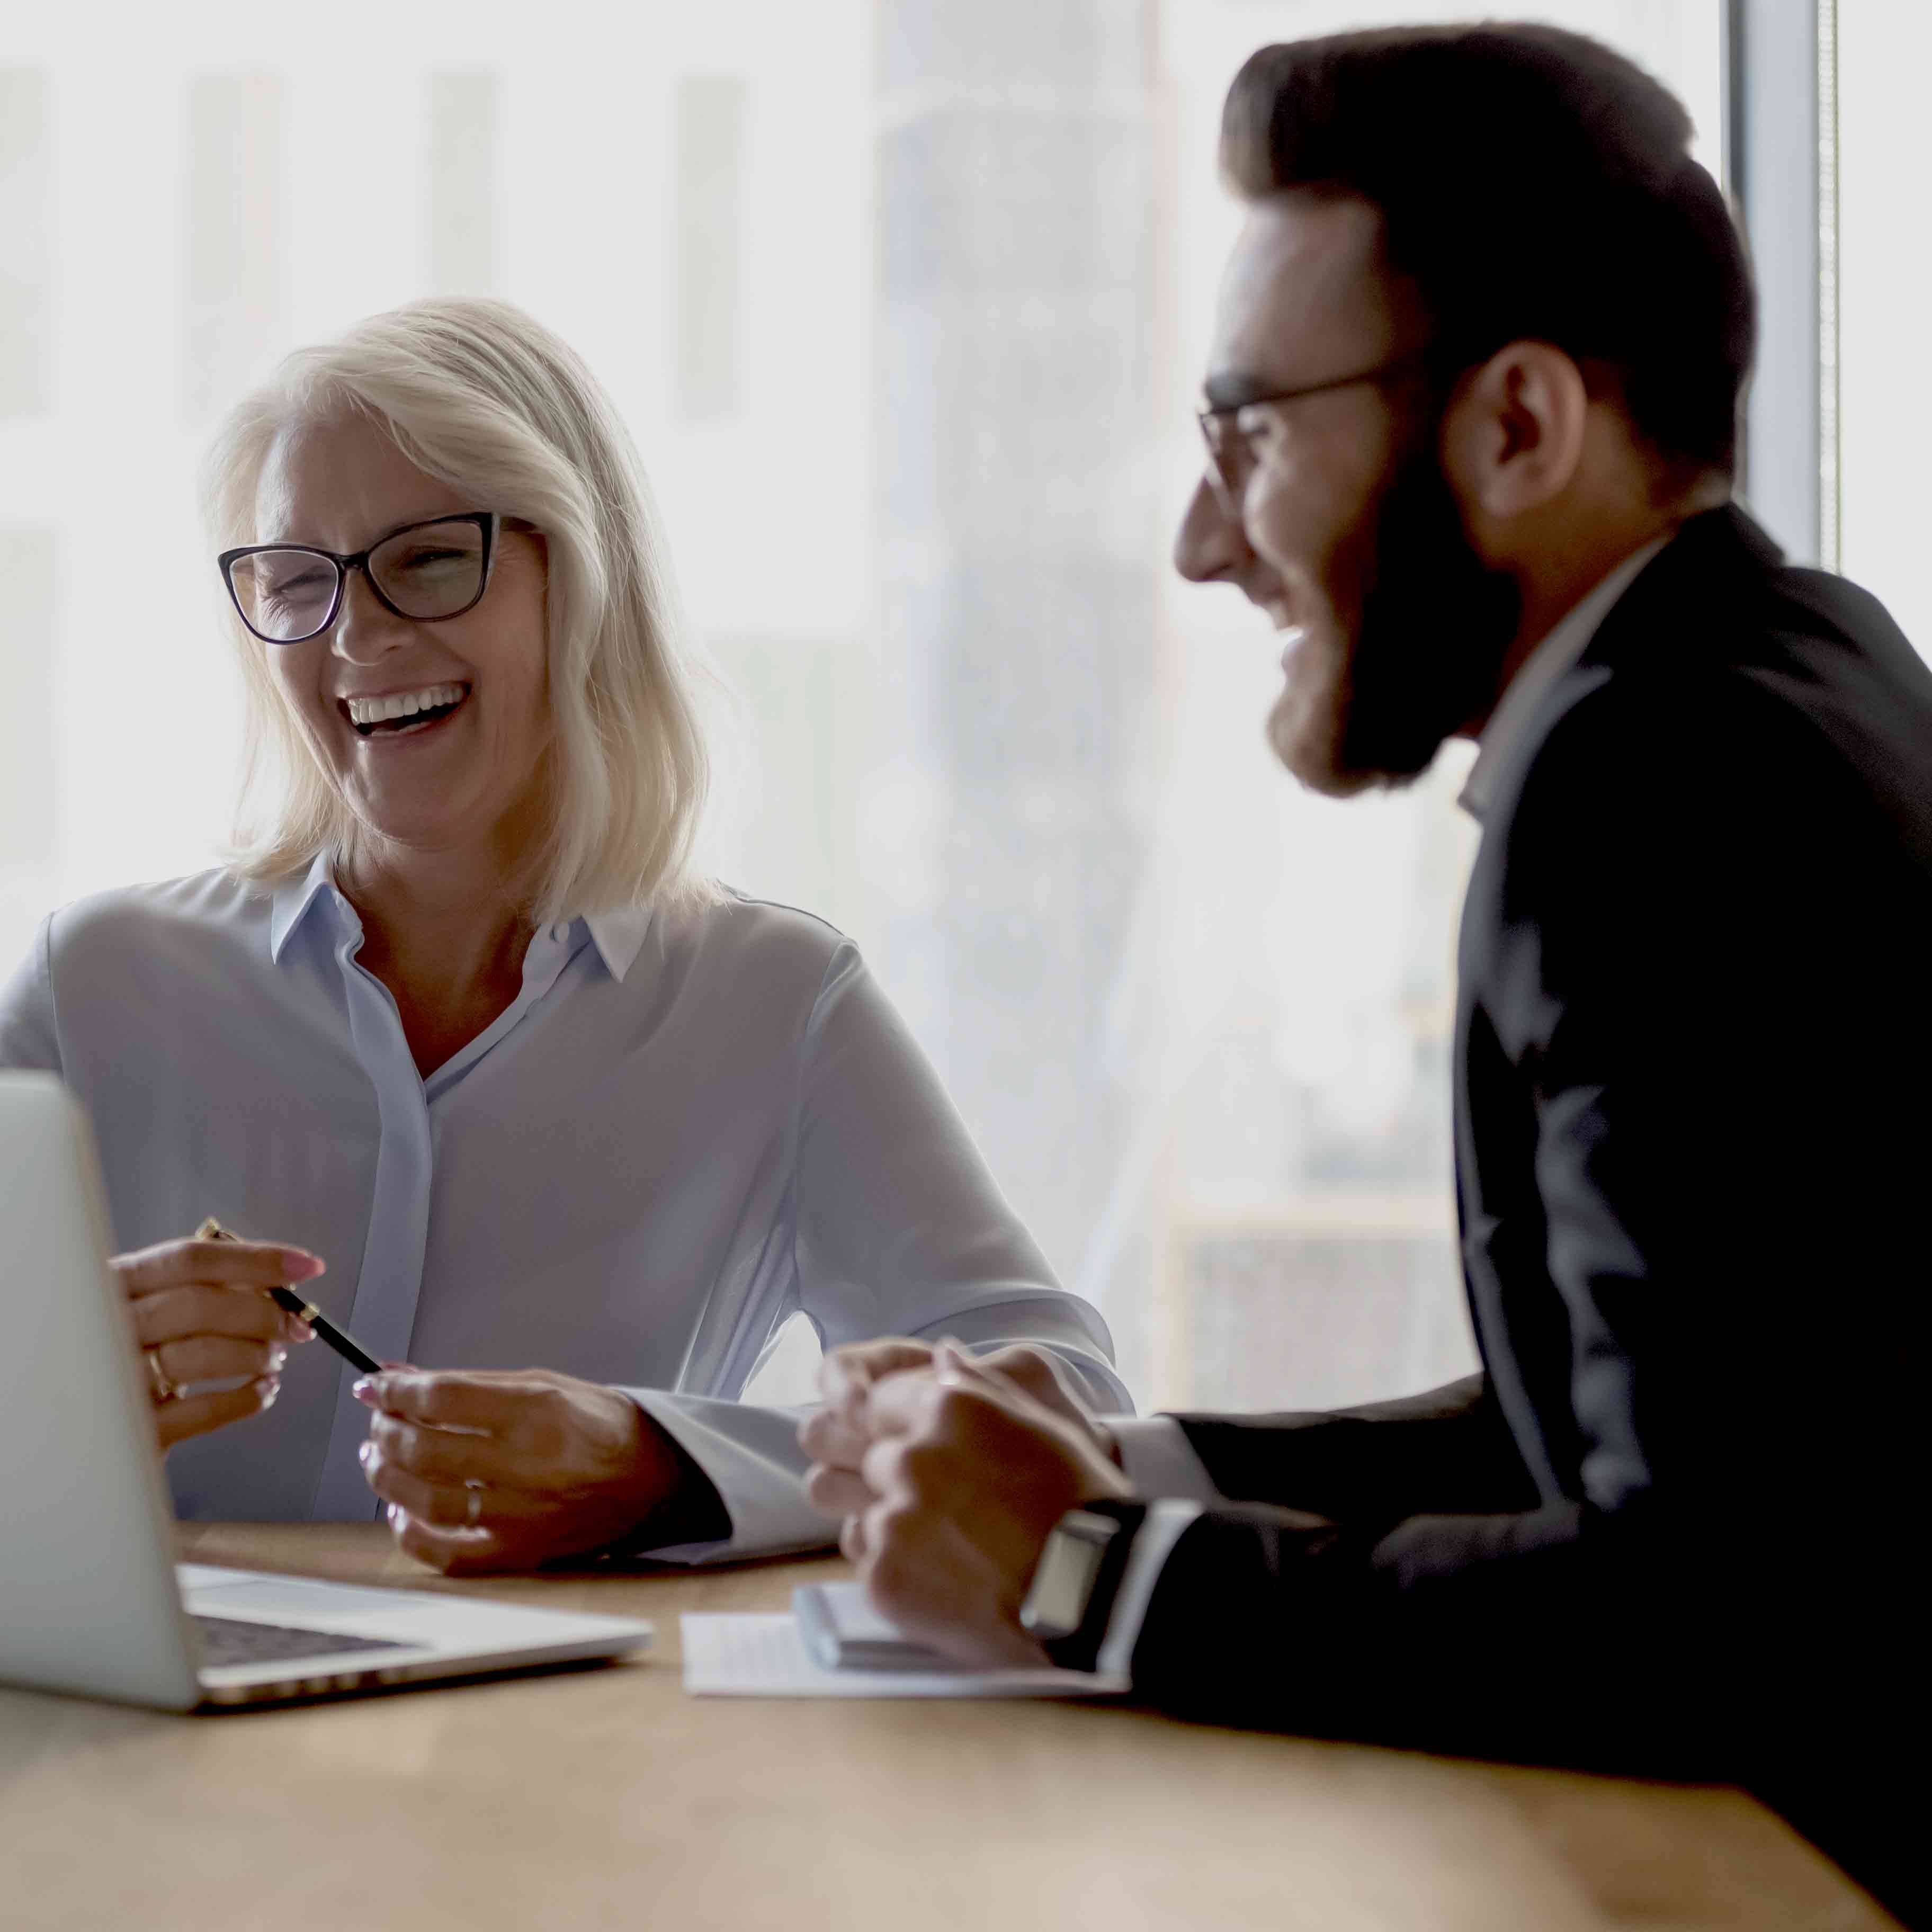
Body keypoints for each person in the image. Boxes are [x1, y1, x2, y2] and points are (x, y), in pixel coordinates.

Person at [800, 23, 1932, 1922]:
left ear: (1514, 424)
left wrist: (1083, 1565)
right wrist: (1112, 1459)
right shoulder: (1796, 663)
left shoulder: (1641, 792)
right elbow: (1625, 1418)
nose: (1194, 540)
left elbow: (1707, 1613)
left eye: (1244, 428)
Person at [0, 297, 1127, 1573]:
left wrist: (662, 1463)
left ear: (582, 584)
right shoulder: (97, 984)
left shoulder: (774, 1004)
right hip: (151, 1748)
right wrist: (42, 1393)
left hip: (562, 1753)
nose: (357, 636)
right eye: (299, 580)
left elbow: (1070, 1412)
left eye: (428, 559)